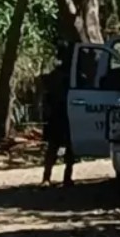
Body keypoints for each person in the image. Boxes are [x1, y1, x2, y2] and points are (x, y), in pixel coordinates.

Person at [41, 41, 76, 186]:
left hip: (67, 113)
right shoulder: (58, 76)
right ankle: (48, 177)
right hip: (59, 114)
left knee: (65, 147)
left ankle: (62, 177)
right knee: (55, 147)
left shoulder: (72, 75)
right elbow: (47, 96)